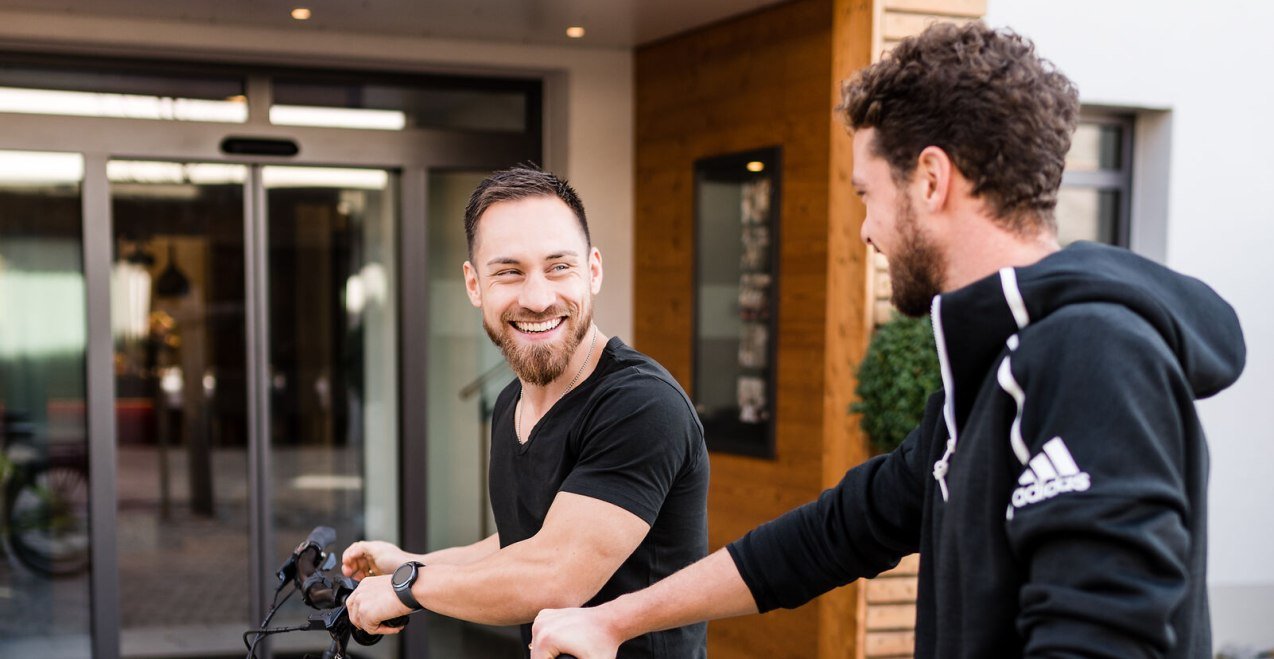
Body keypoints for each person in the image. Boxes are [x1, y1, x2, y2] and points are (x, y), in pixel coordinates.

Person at [529, 22, 1246, 659]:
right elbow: (829, 536)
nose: (866, 230)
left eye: (867, 193)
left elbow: (1103, 634)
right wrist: (616, 619)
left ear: (930, 179)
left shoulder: (1093, 355)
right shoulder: (991, 372)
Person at [343, 167, 710, 657]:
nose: (537, 298)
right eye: (509, 271)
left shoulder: (641, 405)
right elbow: (526, 543)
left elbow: (553, 575)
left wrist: (407, 589)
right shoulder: (512, 403)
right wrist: (410, 561)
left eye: (559, 267)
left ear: (593, 271)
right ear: (474, 285)